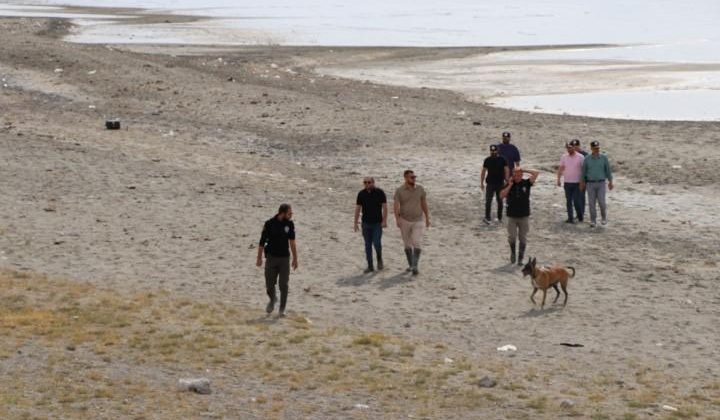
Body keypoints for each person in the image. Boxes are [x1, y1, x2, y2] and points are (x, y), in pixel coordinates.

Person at [256, 204, 298, 316]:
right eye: (289, 213)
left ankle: (282, 309)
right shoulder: (269, 224)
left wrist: (295, 258)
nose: (291, 215)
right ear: (282, 213)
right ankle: (273, 299)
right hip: (271, 258)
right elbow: (262, 242)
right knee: (269, 285)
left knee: (283, 284)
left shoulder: (290, 224)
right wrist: (259, 258)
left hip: (284, 259)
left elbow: (292, 242)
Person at [394, 170, 430, 275]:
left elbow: (424, 203)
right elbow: (396, 206)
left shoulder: (420, 189)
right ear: (405, 178)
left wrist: (427, 217)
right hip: (404, 220)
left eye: (414, 177)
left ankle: (415, 266)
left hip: (418, 219)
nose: (414, 179)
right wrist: (397, 219)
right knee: (407, 244)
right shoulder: (399, 191)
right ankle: (411, 265)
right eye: (411, 177)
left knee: (416, 241)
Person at [501, 167, 539, 265]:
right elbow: (501, 196)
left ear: (522, 175)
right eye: (515, 175)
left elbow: (536, 173)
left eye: (519, 175)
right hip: (512, 216)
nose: (517, 177)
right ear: (513, 175)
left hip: (524, 215)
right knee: (512, 237)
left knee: (523, 238)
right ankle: (513, 253)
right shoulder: (509, 183)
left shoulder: (526, 183)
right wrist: (509, 185)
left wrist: (524, 169)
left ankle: (520, 258)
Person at [354, 177, 388, 273]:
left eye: (369, 182)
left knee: (377, 242)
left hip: (377, 223)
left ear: (373, 183)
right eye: (365, 182)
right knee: (367, 245)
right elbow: (357, 208)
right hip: (365, 223)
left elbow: (385, 207)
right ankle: (370, 266)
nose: (367, 184)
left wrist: (384, 221)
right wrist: (355, 222)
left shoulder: (380, 192)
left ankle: (379, 258)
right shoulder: (361, 194)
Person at [580, 141, 614, 228]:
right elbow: (583, 172)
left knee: (602, 202)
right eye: (595, 148)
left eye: (598, 148)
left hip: (601, 183)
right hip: (590, 184)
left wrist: (610, 181)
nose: (597, 150)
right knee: (591, 203)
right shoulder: (587, 159)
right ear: (591, 148)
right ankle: (593, 220)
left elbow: (608, 170)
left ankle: (603, 217)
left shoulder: (603, 158)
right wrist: (582, 182)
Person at [556, 142, 585, 223]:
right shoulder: (564, 157)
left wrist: (582, 181)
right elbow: (561, 168)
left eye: (571, 147)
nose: (569, 149)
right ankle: (570, 218)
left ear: (574, 147)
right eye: (568, 148)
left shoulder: (580, 157)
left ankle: (580, 216)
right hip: (567, 182)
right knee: (568, 201)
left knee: (576, 200)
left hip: (577, 182)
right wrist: (558, 179)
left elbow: (583, 170)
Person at [481, 144, 509, 224]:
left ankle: (499, 218)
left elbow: (506, 169)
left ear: (497, 151)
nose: (493, 152)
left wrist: (507, 180)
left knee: (499, 201)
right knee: (488, 201)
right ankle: (487, 217)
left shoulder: (502, 159)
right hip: (490, 183)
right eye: (492, 151)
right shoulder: (487, 160)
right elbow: (483, 171)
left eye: (494, 150)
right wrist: (481, 182)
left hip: (500, 183)